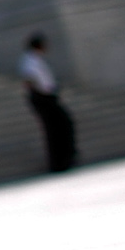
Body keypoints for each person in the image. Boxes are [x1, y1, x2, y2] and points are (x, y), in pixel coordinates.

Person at [21, 32, 76, 173]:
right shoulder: (29, 60)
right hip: (42, 98)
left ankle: (64, 159)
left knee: (61, 126)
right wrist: (40, 95)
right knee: (56, 128)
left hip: (47, 96)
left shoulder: (36, 59)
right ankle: (59, 162)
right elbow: (29, 80)